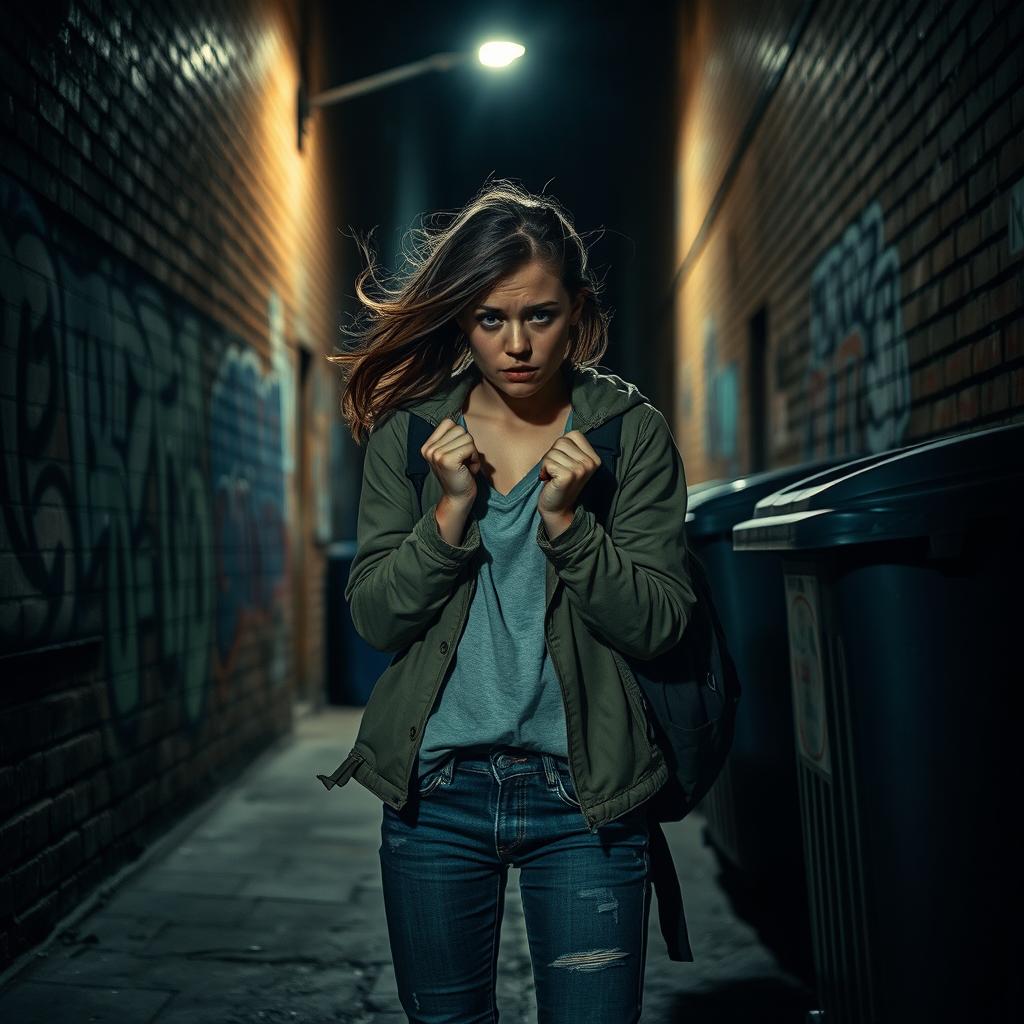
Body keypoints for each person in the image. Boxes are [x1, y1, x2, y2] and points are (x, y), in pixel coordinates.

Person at [321, 180, 697, 1023]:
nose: (517, 344)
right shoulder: (413, 437)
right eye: (491, 319)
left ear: (579, 314)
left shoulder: (627, 433)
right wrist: (450, 512)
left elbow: (663, 623)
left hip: (586, 800)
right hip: (438, 794)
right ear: (462, 319)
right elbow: (376, 616)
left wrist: (569, 527)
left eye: (541, 316)